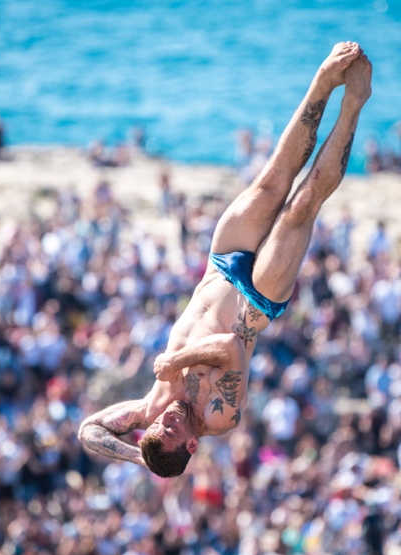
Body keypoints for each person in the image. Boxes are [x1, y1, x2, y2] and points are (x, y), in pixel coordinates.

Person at [79, 43, 372, 478]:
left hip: (219, 267)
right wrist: (175, 364)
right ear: (192, 443)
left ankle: (323, 83)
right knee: (303, 203)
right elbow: (230, 348)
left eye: (160, 424)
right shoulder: (220, 416)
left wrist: (140, 453)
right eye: (173, 427)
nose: (168, 417)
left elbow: (88, 430)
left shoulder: (150, 410)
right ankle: (352, 105)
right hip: (256, 299)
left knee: (272, 180)